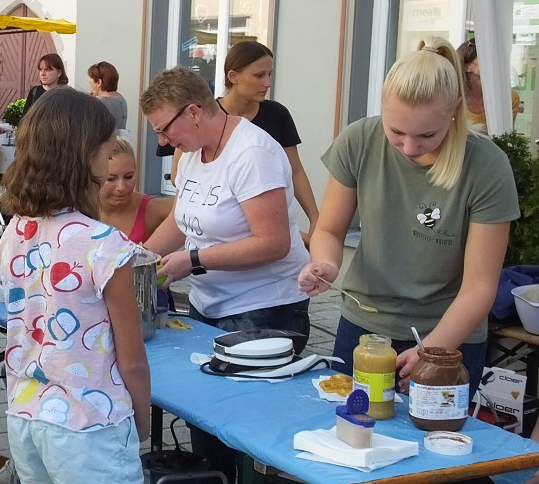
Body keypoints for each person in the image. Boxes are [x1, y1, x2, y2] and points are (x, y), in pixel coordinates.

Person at [0, 86, 150, 484]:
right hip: (90, 426)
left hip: (30, 417)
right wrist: (145, 426)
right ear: (84, 153)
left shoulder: (16, 231)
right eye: (107, 147)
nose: (114, 157)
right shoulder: (104, 243)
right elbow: (132, 361)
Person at [298, 38, 518, 398]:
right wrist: (325, 263)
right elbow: (329, 229)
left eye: (427, 135)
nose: (410, 148)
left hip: (451, 335)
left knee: (436, 446)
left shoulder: (487, 166)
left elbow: (480, 286)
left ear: (454, 111)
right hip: (365, 327)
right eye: (396, 131)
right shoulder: (359, 140)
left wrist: (433, 350)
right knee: (353, 437)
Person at [142, 66, 311, 484]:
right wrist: (134, 258)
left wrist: (192, 261)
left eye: (164, 129)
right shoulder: (194, 151)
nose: (163, 141)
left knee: (249, 428)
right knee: (205, 418)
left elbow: (273, 242)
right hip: (210, 305)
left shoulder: (253, 152)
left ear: (194, 112)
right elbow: (180, 221)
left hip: (265, 310)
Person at [218, 41, 320, 243]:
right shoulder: (206, 116)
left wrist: (316, 219)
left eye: (269, 74)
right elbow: (181, 174)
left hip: (271, 224)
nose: (268, 83)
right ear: (233, 76)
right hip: (223, 229)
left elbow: (295, 169)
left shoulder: (277, 113)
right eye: (259, 75)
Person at [99, 136, 173, 243]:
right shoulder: (76, 209)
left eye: (128, 177)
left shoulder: (151, 210)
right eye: (111, 179)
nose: (121, 187)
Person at [457, 37, 523, 134]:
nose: (493, 62)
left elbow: (505, 138)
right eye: (485, 57)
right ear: (467, 66)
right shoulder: (452, 98)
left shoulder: (509, 99)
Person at [88, 60, 128, 131]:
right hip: (119, 141)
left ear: (99, 82)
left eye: (91, 78)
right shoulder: (121, 99)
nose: (89, 82)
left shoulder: (100, 103)